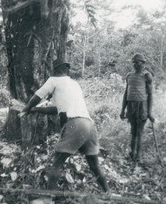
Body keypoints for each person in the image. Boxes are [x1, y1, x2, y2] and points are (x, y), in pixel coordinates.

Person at [20, 59, 108, 192]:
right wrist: (35, 110)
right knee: (94, 164)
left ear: (55, 70)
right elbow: (55, 109)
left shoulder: (53, 80)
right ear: (67, 69)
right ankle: (108, 192)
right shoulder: (74, 84)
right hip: (89, 125)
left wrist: (27, 108)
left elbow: (37, 96)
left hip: (75, 124)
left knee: (57, 163)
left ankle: (50, 196)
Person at [120, 53, 155, 162]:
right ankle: (132, 154)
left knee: (139, 132)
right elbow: (126, 93)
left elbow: (150, 95)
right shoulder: (129, 76)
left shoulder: (146, 76)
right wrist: (122, 110)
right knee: (133, 132)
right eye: (134, 62)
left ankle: (138, 156)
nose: (135, 64)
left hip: (142, 107)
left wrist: (149, 113)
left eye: (138, 62)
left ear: (143, 63)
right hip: (131, 106)